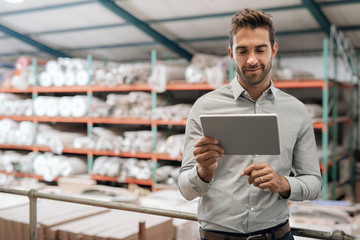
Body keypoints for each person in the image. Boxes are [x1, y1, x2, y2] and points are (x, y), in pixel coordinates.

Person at [178, 8, 322, 240]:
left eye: (260, 49)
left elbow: (314, 183)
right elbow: (185, 188)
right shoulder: (204, 107)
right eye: (242, 51)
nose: (252, 59)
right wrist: (203, 172)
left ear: (273, 50)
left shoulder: (296, 111)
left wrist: (284, 183)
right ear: (231, 54)